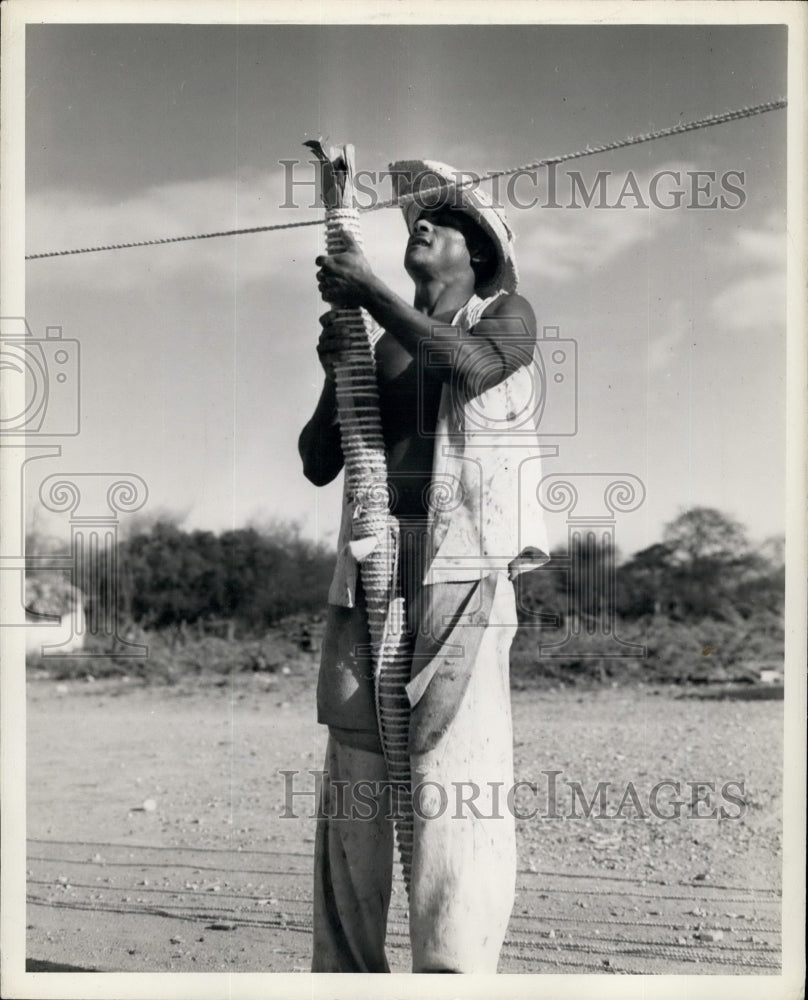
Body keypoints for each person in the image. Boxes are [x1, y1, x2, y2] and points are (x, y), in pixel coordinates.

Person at [298, 160, 550, 973]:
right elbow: (315, 461)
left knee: (452, 774)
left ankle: (450, 976)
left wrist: (369, 292)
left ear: (477, 250)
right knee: (355, 779)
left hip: (460, 566)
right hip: (369, 563)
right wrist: (340, 368)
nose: (422, 222)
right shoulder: (382, 344)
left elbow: (472, 368)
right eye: (417, 215)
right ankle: (344, 976)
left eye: (442, 217)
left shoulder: (505, 314)